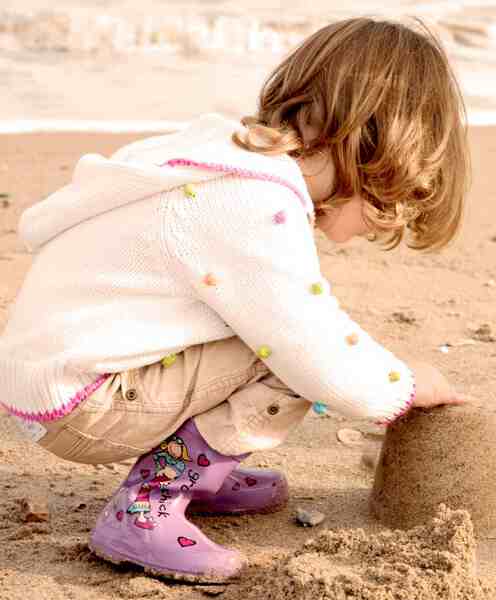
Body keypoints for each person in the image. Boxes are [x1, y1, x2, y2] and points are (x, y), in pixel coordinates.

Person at [0, 17, 471, 581]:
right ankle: (146, 507)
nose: (381, 226)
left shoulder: (216, 158)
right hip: (87, 403)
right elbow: (318, 354)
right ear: (374, 147)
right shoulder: (253, 203)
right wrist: (406, 385)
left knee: (268, 326)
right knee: (285, 352)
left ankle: (201, 475)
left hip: (50, 380)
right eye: (388, 206)